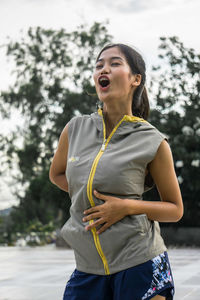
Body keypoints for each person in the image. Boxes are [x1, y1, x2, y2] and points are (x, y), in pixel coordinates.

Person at [49, 43, 183, 300]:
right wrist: (88, 196)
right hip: (88, 268)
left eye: (114, 63)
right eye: (99, 65)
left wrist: (125, 207)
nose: (104, 69)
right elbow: (56, 174)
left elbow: (175, 209)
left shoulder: (152, 140)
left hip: (140, 263)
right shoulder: (75, 129)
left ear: (136, 79)